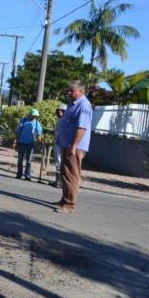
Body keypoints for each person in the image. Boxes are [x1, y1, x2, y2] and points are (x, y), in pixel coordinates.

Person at [55, 80, 93, 213]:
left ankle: (69, 204)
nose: (69, 93)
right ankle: (65, 199)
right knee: (65, 173)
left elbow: (81, 128)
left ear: (80, 91)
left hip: (74, 147)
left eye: (72, 91)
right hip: (67, 144)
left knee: (72, 174)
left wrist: (74, 146)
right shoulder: (73, 104)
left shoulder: (84, 105)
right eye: (69, 90)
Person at [14, 108, 43, 181]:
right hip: (21, 142)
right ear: (30, 114)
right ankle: (19, 174)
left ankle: (27, 175)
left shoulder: (36, 123)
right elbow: (18, 131)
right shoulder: (23, 120)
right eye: (33, 115)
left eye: (35, 116)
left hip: (30, 144)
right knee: (20, 159)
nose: (34, 117)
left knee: (29, 160)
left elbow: (39, 134)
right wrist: (15, 141)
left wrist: (40, 142)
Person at [52, 103, 67, 187]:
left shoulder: (66, 120)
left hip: (63, 144)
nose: (58, 112)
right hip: (57, 143)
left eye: (60, 111)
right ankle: (57, 180)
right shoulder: (59, 120)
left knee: (62, 162)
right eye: (57, 110)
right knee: (57, 162)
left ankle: (61, 181)